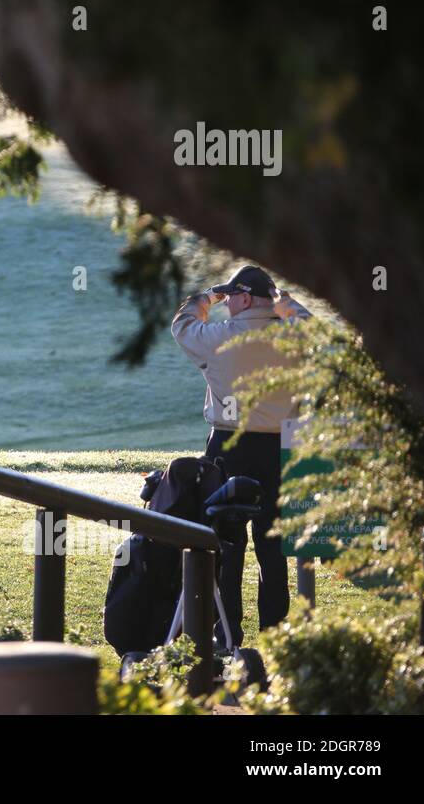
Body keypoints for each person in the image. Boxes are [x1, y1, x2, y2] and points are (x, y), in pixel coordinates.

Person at [170, 264, 310, 648]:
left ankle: (226, 635)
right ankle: (274, 639)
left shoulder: (218, 337)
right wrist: (283, 304)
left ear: (244, 298)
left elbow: (181, 325)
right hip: (278, 449)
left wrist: (207, 297)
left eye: (232, 296)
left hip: (227, 448)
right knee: (273, 548)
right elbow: (313, 329)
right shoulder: (293, 336)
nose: (227, 303)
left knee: (226, 548)